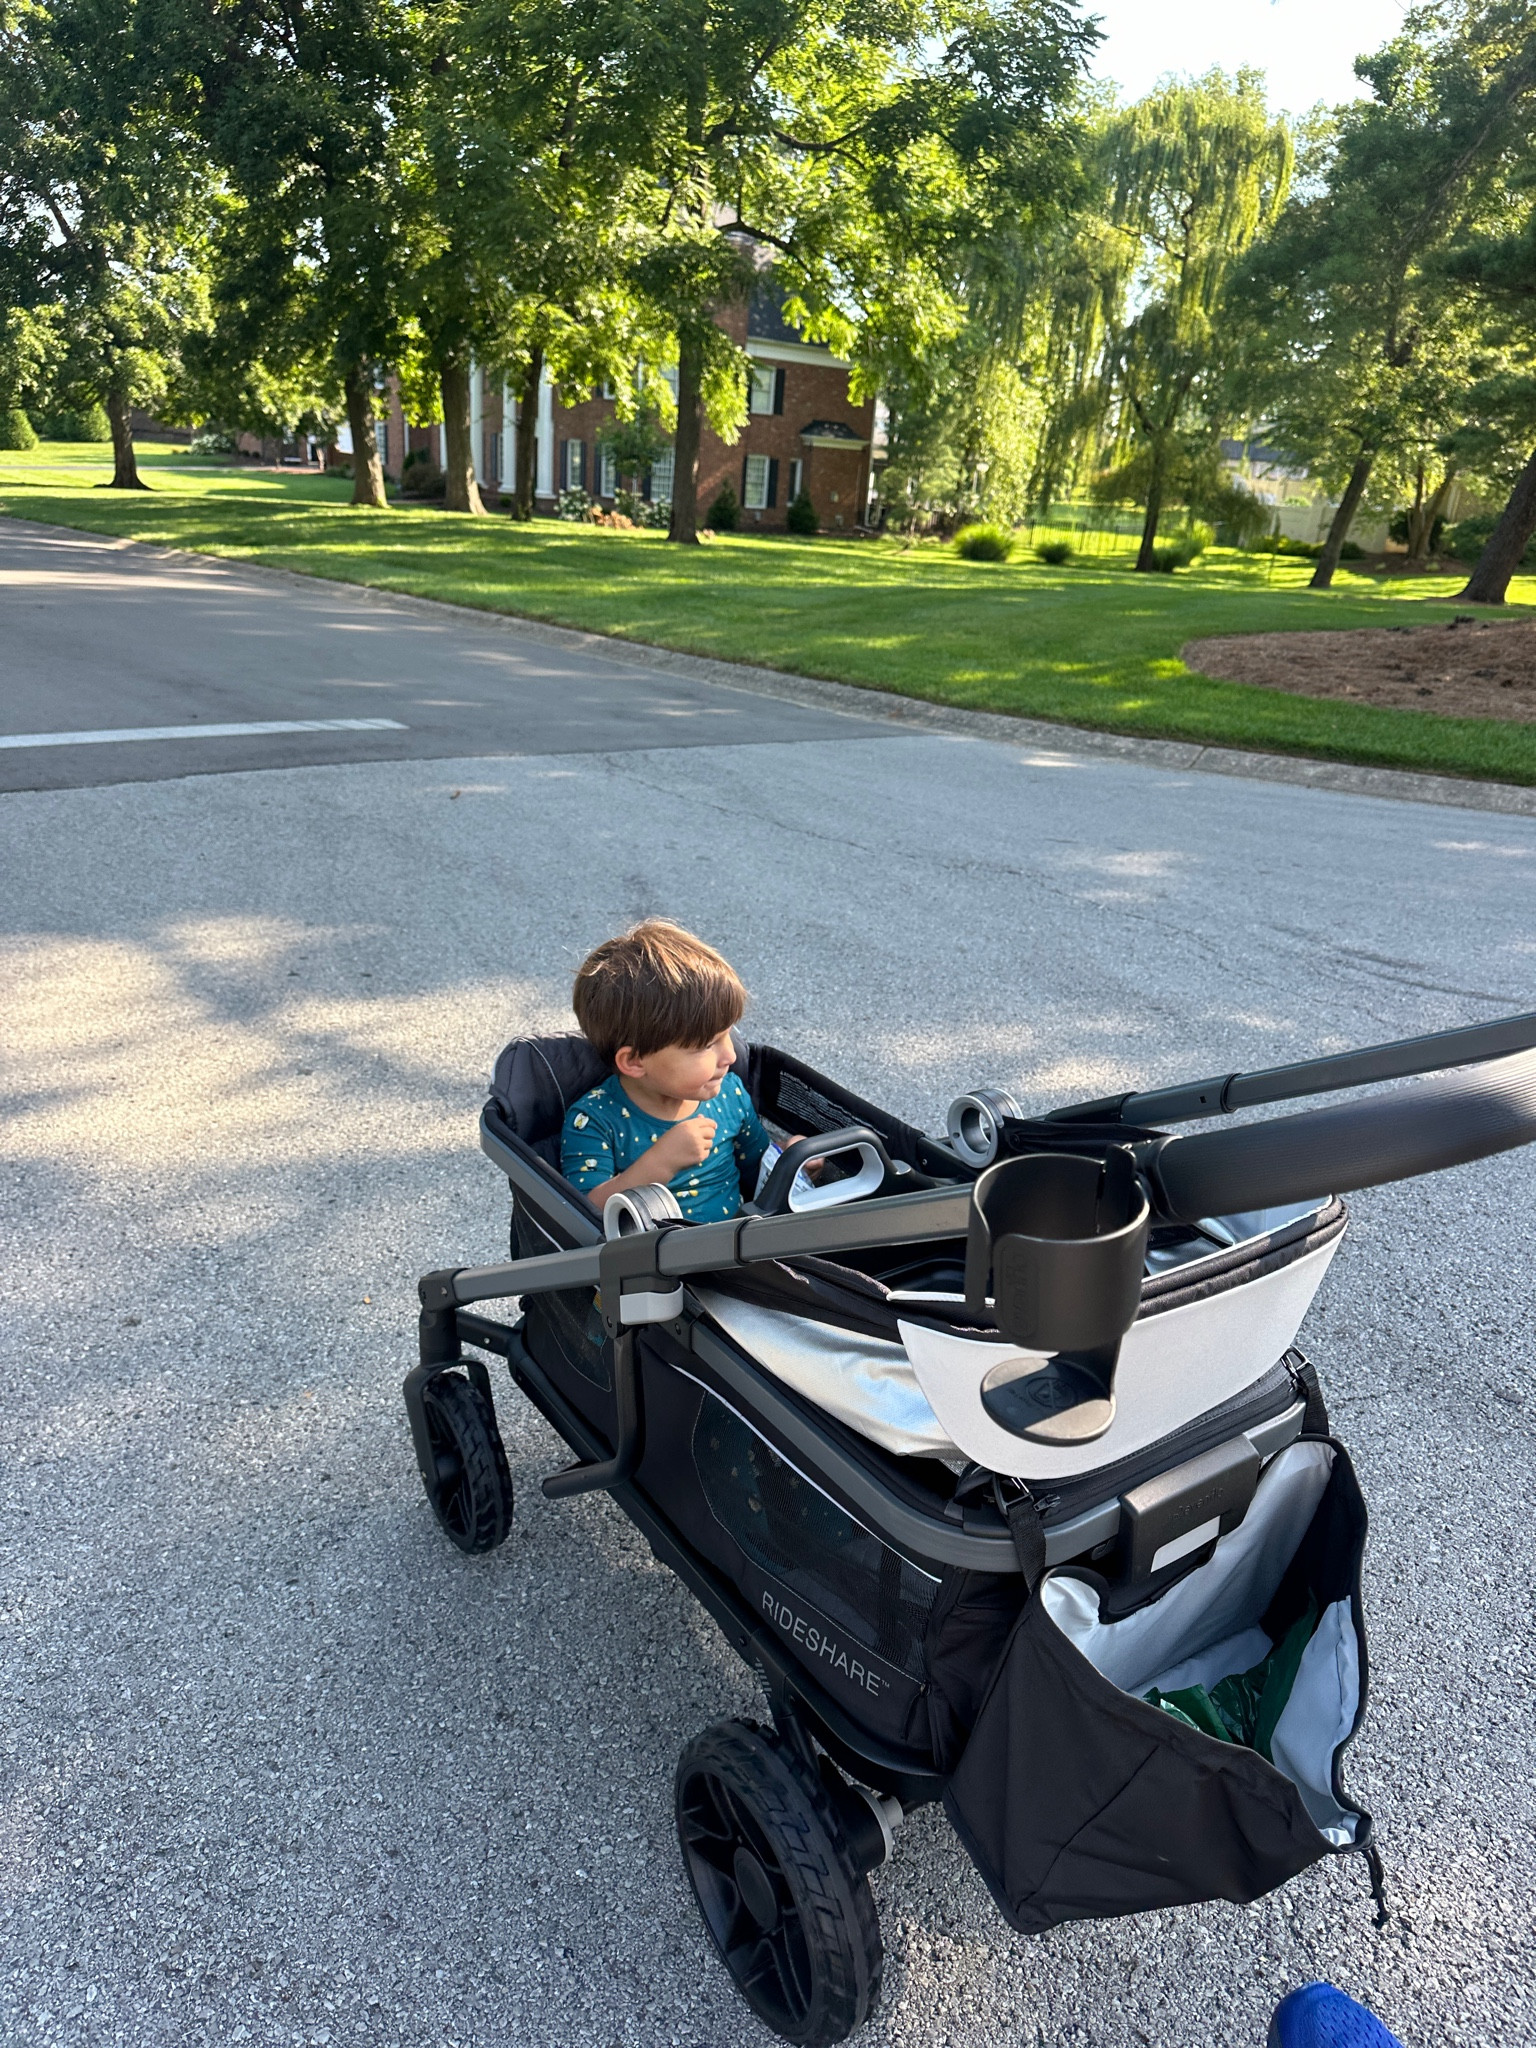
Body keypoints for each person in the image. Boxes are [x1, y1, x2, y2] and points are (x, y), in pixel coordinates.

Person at [561, 919, 772, 1222]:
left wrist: (789, 1163)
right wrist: (659, 1163)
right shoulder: (594, 1119)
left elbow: (756, 1168)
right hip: (656, 1262)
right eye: (706, 1045)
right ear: (634, 1062)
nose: (729, 1055)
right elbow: (584, 1214)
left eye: (728, 1034)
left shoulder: (729, 1092)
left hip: (740, 1250)